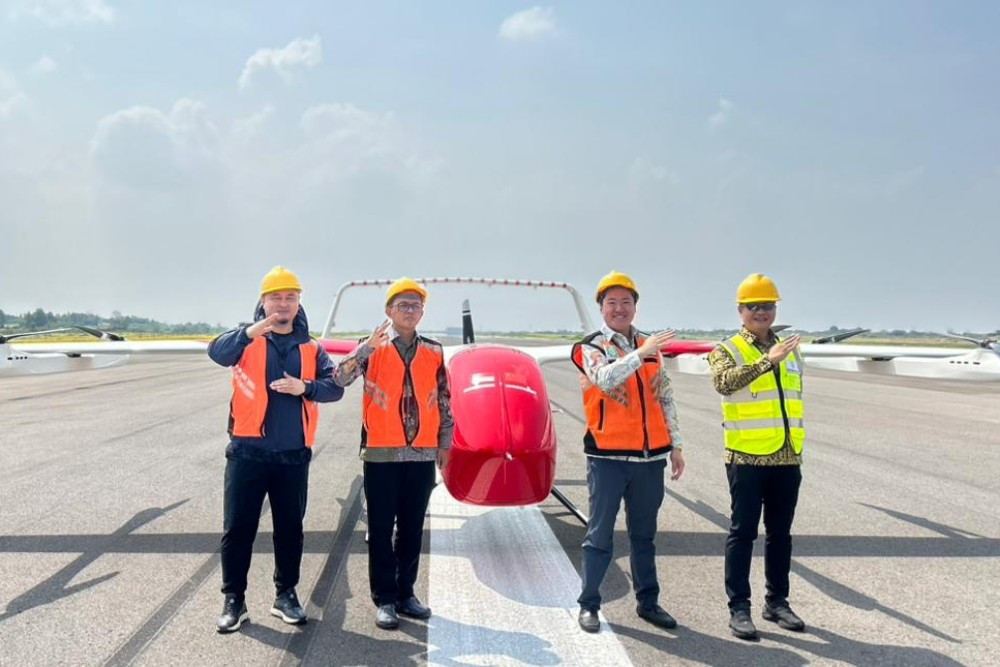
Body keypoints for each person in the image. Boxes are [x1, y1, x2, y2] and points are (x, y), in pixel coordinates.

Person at [207, 266, 344, 633]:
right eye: (276, 298)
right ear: (263, 301)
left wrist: (306, 387)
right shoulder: (243, 341)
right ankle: (234, 599)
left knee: (290, 529)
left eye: (290, 298)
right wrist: (252, 330)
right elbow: (216, 353)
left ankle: (286, 594)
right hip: (247, 453)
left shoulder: (312, 347)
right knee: (237, 529)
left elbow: (335, 387)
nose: (283, 305)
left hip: (292, 456)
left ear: (299, 303)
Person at [332, 277, 453, 630]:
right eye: (403, 305)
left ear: (422, 312)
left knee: (413, 528)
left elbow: (444, 398)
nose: (410, 311)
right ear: (389, 310)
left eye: (416, 305)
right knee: (382, 528)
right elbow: (339, 378)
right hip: (381, 453)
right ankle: (384, 598)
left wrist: (444, 443)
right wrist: (366, 348)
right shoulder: (371, 348)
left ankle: (406, 594)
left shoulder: (433, 350)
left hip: (420, 454)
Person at [569, 270, 686, 634]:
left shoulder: (651, 348)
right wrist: (640, 353)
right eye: (611, 303)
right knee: (599, 534)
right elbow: (605, 379)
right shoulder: (590, 347)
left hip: (650, 460)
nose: (619, 308)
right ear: (601, 309)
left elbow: (664, 396)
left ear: (635, 306)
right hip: (608, 459)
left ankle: (648, 602)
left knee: (644, 535)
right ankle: (589, 604)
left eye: (626, 302)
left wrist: (676, 444)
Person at [708, 272, 806, 641]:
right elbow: (724, 382)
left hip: (786, 456)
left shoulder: (791, 348)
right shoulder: (727, 349)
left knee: (780, 535)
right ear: (741, 311)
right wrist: (769, 361)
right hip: (747, 458)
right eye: (754, 307)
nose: (762, 312)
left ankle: (777, 602)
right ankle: (739, 608)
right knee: (742, 533)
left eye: (768, 306)